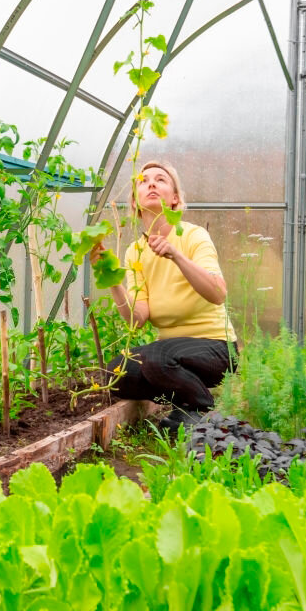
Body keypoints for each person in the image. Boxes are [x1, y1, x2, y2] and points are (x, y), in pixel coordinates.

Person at [92, 160, 237, 430]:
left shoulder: (193, 236)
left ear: (175, 199)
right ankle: (185, 401)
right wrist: (110, 277)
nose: (151, 184)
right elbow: (137, 320)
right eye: (143, 180)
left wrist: (176, 255)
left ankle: (203, 410)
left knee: (156, 358)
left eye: (161, 180)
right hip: (169, 353)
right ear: (135, 202)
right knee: (115, 373)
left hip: (216, 349)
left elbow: (218, 294)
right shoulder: (135, 251)